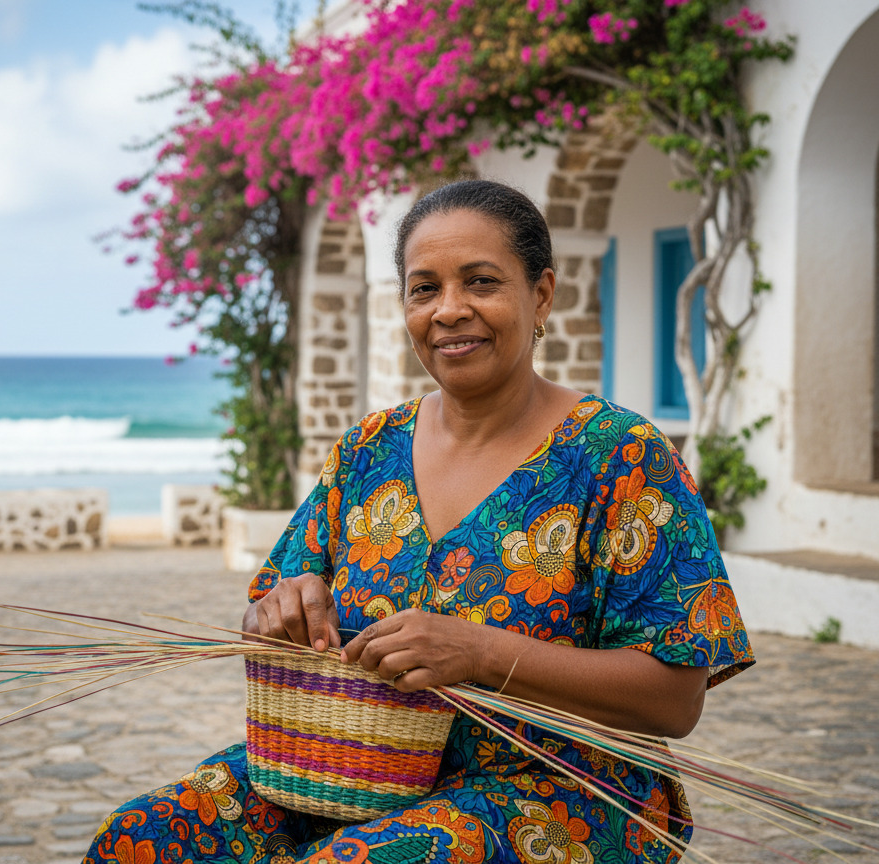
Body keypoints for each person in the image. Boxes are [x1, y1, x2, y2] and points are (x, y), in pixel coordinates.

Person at [83, 179, 754, 864]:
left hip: (559, 791)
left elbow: (675, 698)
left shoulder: (620, 457)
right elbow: (272, 608)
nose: (449, 310)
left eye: (482, 282)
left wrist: (482, 654)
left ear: (542, 295)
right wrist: (277, 614)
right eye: (424, 288)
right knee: (142, 838)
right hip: (347, 770)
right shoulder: (367, 450)